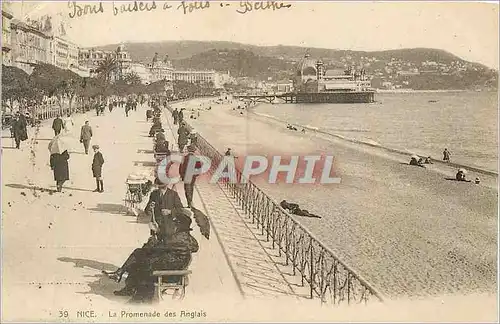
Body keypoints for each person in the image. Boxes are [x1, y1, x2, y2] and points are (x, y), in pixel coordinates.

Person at [102, 208, 198, 302]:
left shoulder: (175, 238)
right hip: (175, 269)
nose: (173, 225)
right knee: (139, 255)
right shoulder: (190, 240)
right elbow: (193, 248)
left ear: (178, 225)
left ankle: (137, 295)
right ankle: (123, 279)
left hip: (168, 273)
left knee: (139, 261)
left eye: (175, 223)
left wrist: (154, 236)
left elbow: (155, 248)